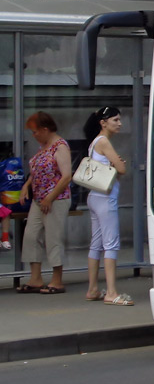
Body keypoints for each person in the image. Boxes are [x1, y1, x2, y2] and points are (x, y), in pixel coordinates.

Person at [16, 111, 72, 294]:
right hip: (39, 199)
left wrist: (50, 197)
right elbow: (38, 171)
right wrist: (27, 185)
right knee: (31, 235)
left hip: (55, 199)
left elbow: (66, 177)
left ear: (45, 129)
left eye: (35, 131)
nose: (34, 136)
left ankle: (57, 280)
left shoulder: (60, 146)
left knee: (53, 238)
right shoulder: (44, 147)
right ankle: (35, 278)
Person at [82, 106, 132, 305]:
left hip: (94, 196)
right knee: (111, 244)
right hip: (106, 197)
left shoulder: (95, 142)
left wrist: (115, 165)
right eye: (116, 120)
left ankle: (93, 289)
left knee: (96, 244)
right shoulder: (104, 141)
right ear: (103, 123)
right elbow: (121, 169)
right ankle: (111, 292)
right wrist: (119, 165)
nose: (119, 123)